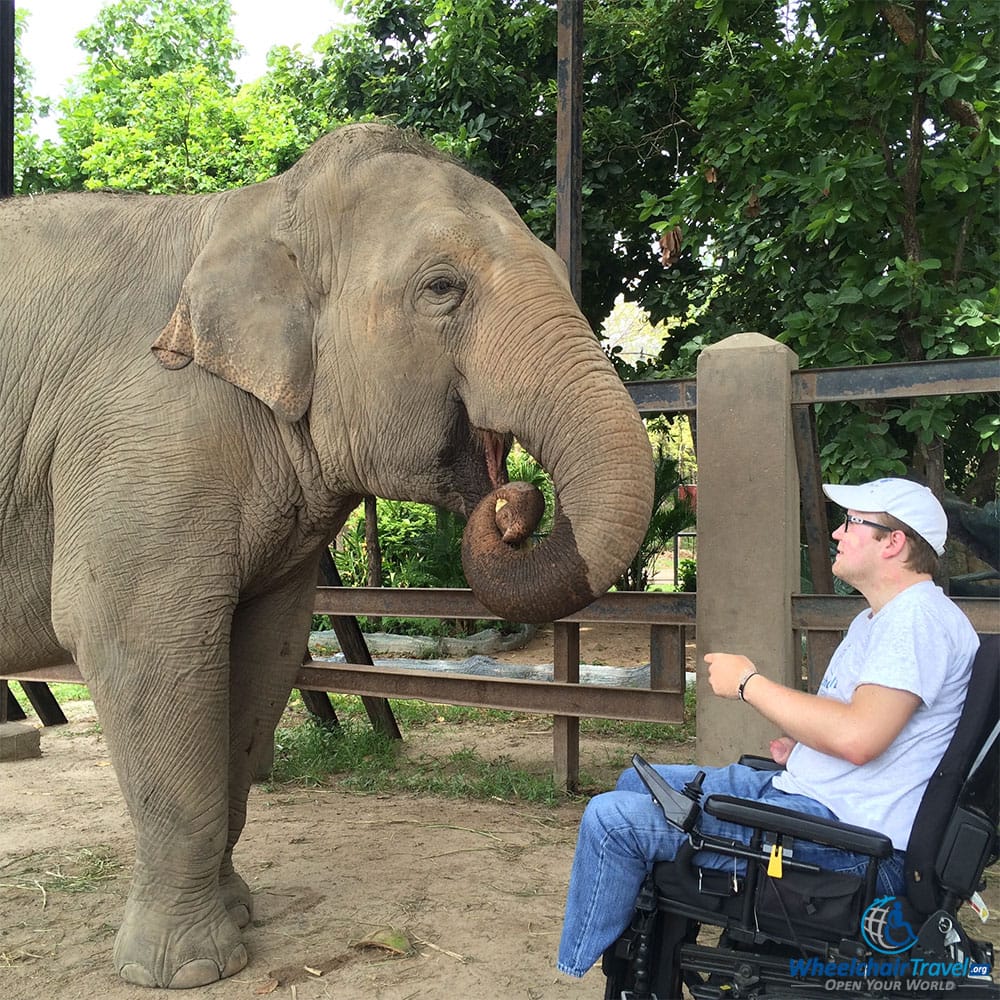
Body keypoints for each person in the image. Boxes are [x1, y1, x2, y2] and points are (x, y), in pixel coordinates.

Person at [557, 477, 979, 980]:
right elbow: (862, 727)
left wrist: (749, 684)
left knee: (612, 819)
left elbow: (859, 737)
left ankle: (583, 969)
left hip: (847, 843)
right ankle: (652, 962)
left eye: (851, 524)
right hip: (817, 798)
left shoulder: (916, 621)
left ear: (894, 542)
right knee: (636, 783)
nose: (838, 534)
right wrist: (805, 748)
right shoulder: (880, 619)